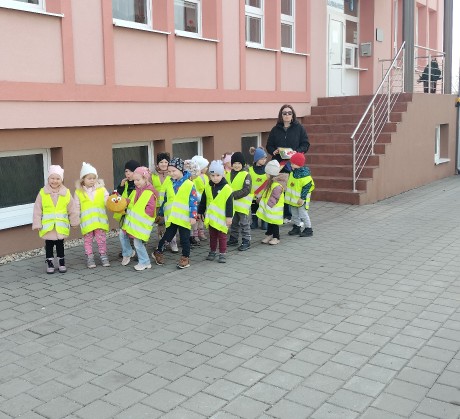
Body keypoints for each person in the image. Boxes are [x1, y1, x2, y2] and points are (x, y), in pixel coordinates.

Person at [152, 157, 198, 269]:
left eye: (174, 171)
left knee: (185, 239)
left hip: (184, 218)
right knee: (167, 237)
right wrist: (161, 213)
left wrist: (193, 216)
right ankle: (158, 251)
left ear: (181, 170)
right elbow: (166, 200)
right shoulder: (169, 183)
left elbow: (193, 201)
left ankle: (185, 258)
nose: (171, 173)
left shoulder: (189, 184)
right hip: (172, 217)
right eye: (169, 171)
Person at [266, 104, 310, 223]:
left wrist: (297, 152)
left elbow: (305, 144)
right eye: (284, 113)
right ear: (281, 115)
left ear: (293, 115)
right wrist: (273, 151)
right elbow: (269, 145)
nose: (287, 115)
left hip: (293, 164)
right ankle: (285, 215)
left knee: (294, 190)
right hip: (279, 165)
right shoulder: (275, 129)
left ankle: (299, 217)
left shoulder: (299, 128)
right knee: (280, 190)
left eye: (289, 113)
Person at [32, 165, 79, 274]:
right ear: (48, 179)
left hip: (60, 226)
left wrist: (74, 222)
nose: (55, 181)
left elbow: (72, 208)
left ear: (61, 180)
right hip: (48, 227)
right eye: (52, 178)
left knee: (60, 245)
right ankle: (50, 263)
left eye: (58, 178)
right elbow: (37, 209)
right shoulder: (43, 192)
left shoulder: (66, 192)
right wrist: (37, 223)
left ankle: (61, 262)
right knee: (48, 245)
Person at [119, 166, 158, 271]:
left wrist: (145, 213)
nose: (135, 182)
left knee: (138, 244)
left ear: (145, 179)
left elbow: (151, 208)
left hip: (140, 224)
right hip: (132, 222)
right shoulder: (136, 190)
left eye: (138, 180)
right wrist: (122, 202)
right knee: (124, 235)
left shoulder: (149, 192)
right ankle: (137, 257)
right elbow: (130, 201)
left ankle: (144, 262)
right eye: (134, 180)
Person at [74, 162, 110, 268]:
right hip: (87, 222)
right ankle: (90, 257)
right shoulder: (79, 192)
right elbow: (76, 207)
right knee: (88, 241)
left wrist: (114, 203)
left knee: (101, 240)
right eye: (89, 178)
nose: (92, 180)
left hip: (99, 221)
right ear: (83, 179)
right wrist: (75, 219)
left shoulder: (102, 189)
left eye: (94, 178)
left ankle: (103, 255)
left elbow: (107, 201)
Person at [198, 160, 233, 263]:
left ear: (222, 175)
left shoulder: (227, 188)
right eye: (212, 175)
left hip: (222, 218)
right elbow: (203, 200)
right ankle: (212, 251)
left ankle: (222, 253)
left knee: (222, 237)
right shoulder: (208, 187)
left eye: (218, 175)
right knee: (212, 236)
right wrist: (200, 212)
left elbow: (229, 204)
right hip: (211, 218)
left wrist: (229, 217)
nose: (215, 178)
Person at [151, 152, 178, 253]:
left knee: (171, 223)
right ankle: (162, 243)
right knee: (161, 223)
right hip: (158, 204)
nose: (163, 164)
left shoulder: (172, 173)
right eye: (161, 162)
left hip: (170, 203)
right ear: (157, 163)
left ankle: (173, 243)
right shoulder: (153, 175)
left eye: (166, 162)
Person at [257, 160, 288, 245]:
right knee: (269, 221)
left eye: (267, 173)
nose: (265, 175)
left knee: (274, 223)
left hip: (274, 208)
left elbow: (275, 197)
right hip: (270, 207)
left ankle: (276, 237)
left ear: (271, 174)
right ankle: (269, 234)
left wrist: (269, 205)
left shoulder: (277, 185)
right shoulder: (271, 182)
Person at [226, 152, 252, 251]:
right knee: (234, 223)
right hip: (232, 205)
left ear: (243, 164)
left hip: (242, 205)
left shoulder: (246, 175)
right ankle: (233, 238)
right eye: (234, 163)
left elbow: (247, 189)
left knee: (244, 223)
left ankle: (246, 240)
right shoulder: (228, 174)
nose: (236, 165)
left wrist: (232, 195)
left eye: (239, 163)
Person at [285, 152, 315, 237]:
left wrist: (302, 198)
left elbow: (306, 188)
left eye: (292, 163)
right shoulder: (293, 173)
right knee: (294, 214)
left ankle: (308, 229)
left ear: (298, 164)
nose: (291, 165)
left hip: (301, 200)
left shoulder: (305, 176)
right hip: (293, 200)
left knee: (303, 214)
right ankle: (296, 227)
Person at [115, 159, 140, 258]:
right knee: (124, 233)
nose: (128, 174)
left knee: (135, 233)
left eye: (131, 171)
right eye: (126, 171)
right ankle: (128, 250)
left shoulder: (139, 183)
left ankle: (138, 251)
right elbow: (117, 196)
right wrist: (121, 185)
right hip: (125, 213)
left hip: (135, 213)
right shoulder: (125, 183)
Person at [248, 146, 268, 230]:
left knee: (263, 208)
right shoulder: (250, 170)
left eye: (265, 158)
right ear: (256, 159)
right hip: (253, 195)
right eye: (262, 158)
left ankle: (264, 222)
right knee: (254, 209)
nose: (264, 160)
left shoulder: (267, 169)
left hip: (263, 195)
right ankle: (254, 222)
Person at [184, 159, 202, 246]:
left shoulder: (190, 180)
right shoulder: (187, 182)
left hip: (190, 204)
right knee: (187, 223)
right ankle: (187, 239)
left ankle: (190, 237)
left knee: (189, 223)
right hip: (187, 205)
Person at [191, 155, 209, 241]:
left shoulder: (205, 177)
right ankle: (195, 233)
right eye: (205, 167)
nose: (207, 168)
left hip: (204, 200)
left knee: (201, 217)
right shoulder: (195, 178)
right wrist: (199, 197)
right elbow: (194, 188)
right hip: (197, 200)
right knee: (196, 218)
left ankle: (201, 231)